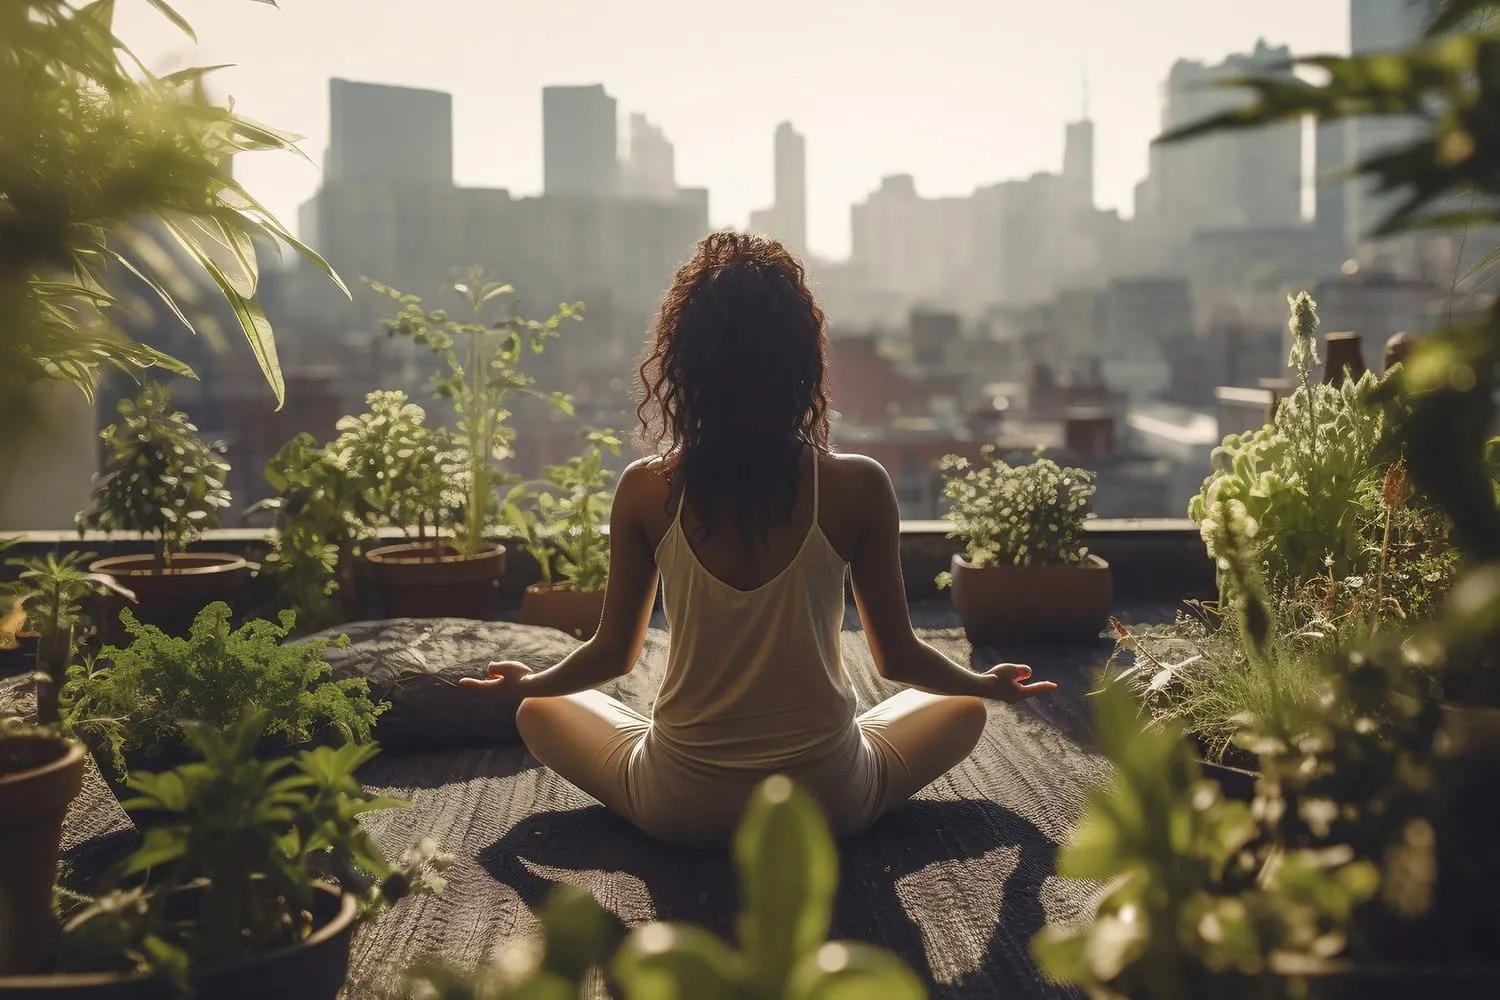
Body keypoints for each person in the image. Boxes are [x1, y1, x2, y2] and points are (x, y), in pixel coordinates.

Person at [460, 231, 1057, 846]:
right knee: (962, 707)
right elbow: (897, 659)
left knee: (539, 711)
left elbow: (614, 655)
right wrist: (987, 684)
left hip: (680, 806)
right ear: (802, 359)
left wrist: (526, 684)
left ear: (682, 361)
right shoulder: (857, 485)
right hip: (825, 802)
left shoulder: (646, 488)